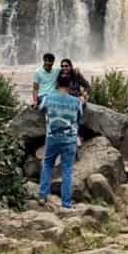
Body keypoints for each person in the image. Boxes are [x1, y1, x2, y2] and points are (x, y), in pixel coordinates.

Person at [37, 74, 83, 209]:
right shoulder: (76, 101)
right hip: (69, 139)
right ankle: (66, 203)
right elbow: (80, 114)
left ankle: (43, 195)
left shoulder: (48, 98)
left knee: (47, 164)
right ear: (70, 85)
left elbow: (40, 108)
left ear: (56, 84)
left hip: (52, 137)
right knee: (67, 170)